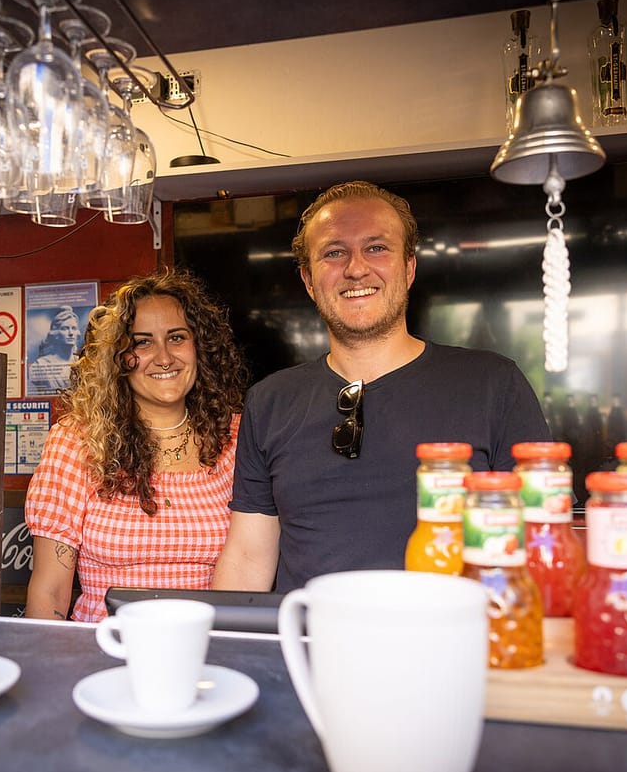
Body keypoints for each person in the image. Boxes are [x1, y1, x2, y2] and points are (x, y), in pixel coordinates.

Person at [212, 181, 551, 593]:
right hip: (310, 651)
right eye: (334, 252)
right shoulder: (268, 401)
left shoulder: (495, 385)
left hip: (453, 644)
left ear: (409, 268)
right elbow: (249, 554)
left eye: (376, 247)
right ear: (307, 279)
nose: (356, 268)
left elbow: (540, 541)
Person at [24, 271, 249, 621]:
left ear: (199, 346)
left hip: (206, 651)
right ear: (117, 357)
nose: (163, 358)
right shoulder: (77, 441)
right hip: (104, 652)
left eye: (176, 337)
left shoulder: (237, 437)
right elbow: (50, 589)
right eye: (142, 342)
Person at [28, 305, 80, 394]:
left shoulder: (82, 363)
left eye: (74, 328)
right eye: (65, 328)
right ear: (55, 334)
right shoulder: (40, 365)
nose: (71, 333)